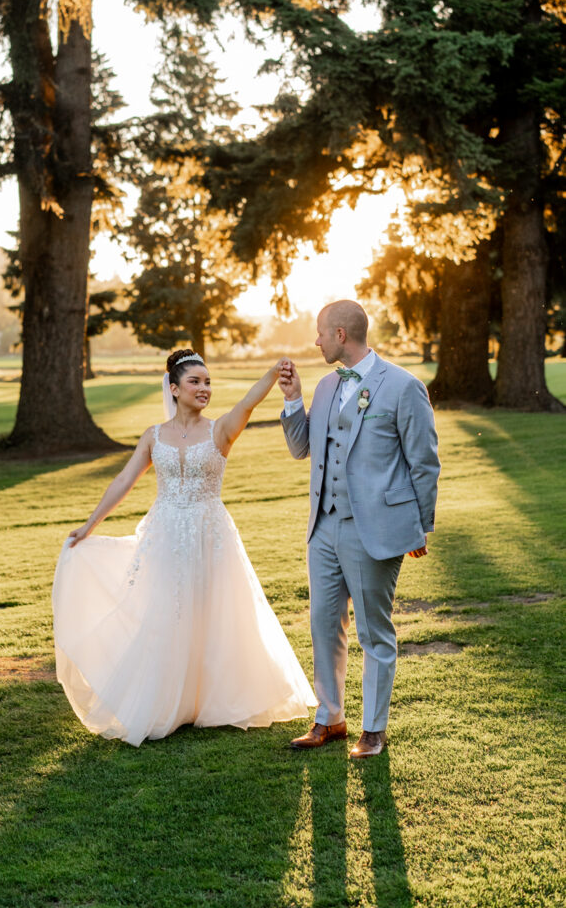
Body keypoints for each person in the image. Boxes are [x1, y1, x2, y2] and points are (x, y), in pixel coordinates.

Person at [52, 349, 316, 746]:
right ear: (174, 389)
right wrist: (90, 525)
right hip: (164, 534)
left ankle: (207, 700)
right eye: (195, 382)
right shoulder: (153, 436)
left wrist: (274, 371)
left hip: (210, 533)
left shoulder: (221, 430)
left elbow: (247, 401)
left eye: (208, 382)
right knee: (165, 612)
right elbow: (124, 481)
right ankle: (168, 703)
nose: (204, 388)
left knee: (210, 613)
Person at [278, 300, 440, 758]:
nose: (316, 341)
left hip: (375, 529)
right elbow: (301, 448)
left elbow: (424, 463)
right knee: (323, 625)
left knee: (373, 631)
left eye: (320, 334)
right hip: (323, 528)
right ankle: (329, 719)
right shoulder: (328, 386)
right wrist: (294, 400)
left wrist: (419, 527)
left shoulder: (404, 387)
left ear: (341, 334)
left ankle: (374, 729)